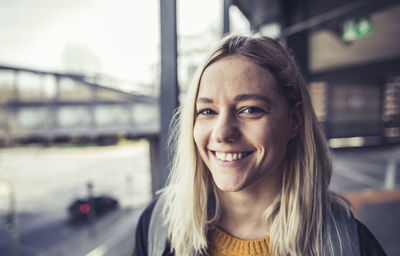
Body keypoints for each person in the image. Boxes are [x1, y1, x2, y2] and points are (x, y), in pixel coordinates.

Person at [133, 34, 387, 256]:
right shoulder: (159, 224)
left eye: (250, 109)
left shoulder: (348, 245)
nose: (222, 133)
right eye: (207, 111)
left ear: (295, 120)